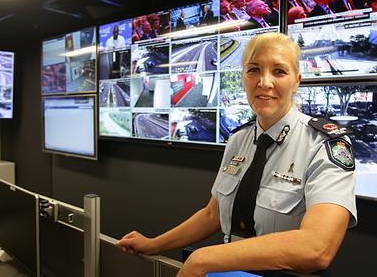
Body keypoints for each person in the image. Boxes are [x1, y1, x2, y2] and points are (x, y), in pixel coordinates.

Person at [117, 33, 357, 276]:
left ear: (296, 81)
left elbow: (317, 248)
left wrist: (202, 258)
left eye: (279, 71)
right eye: (253, 70)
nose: (264, 82)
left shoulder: (325, 145)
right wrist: (154, 244)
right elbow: (213, 214)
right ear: (243, 78)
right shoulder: (238, 140)